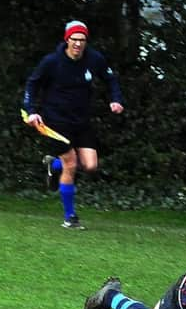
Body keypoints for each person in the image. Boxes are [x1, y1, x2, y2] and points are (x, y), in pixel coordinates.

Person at [23, 20, 124, 229]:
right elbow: (32, 84)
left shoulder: (94, 59)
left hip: (81, 120)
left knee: (90, 165)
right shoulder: (51, 62)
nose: (78, 44)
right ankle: (70, 217)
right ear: (67, 39)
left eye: (82, 40)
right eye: (74, 39)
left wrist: (116, 99)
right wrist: (31, 111)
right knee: (71, 164)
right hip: (54, 121)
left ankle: (54, 165)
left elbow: (111, 79)